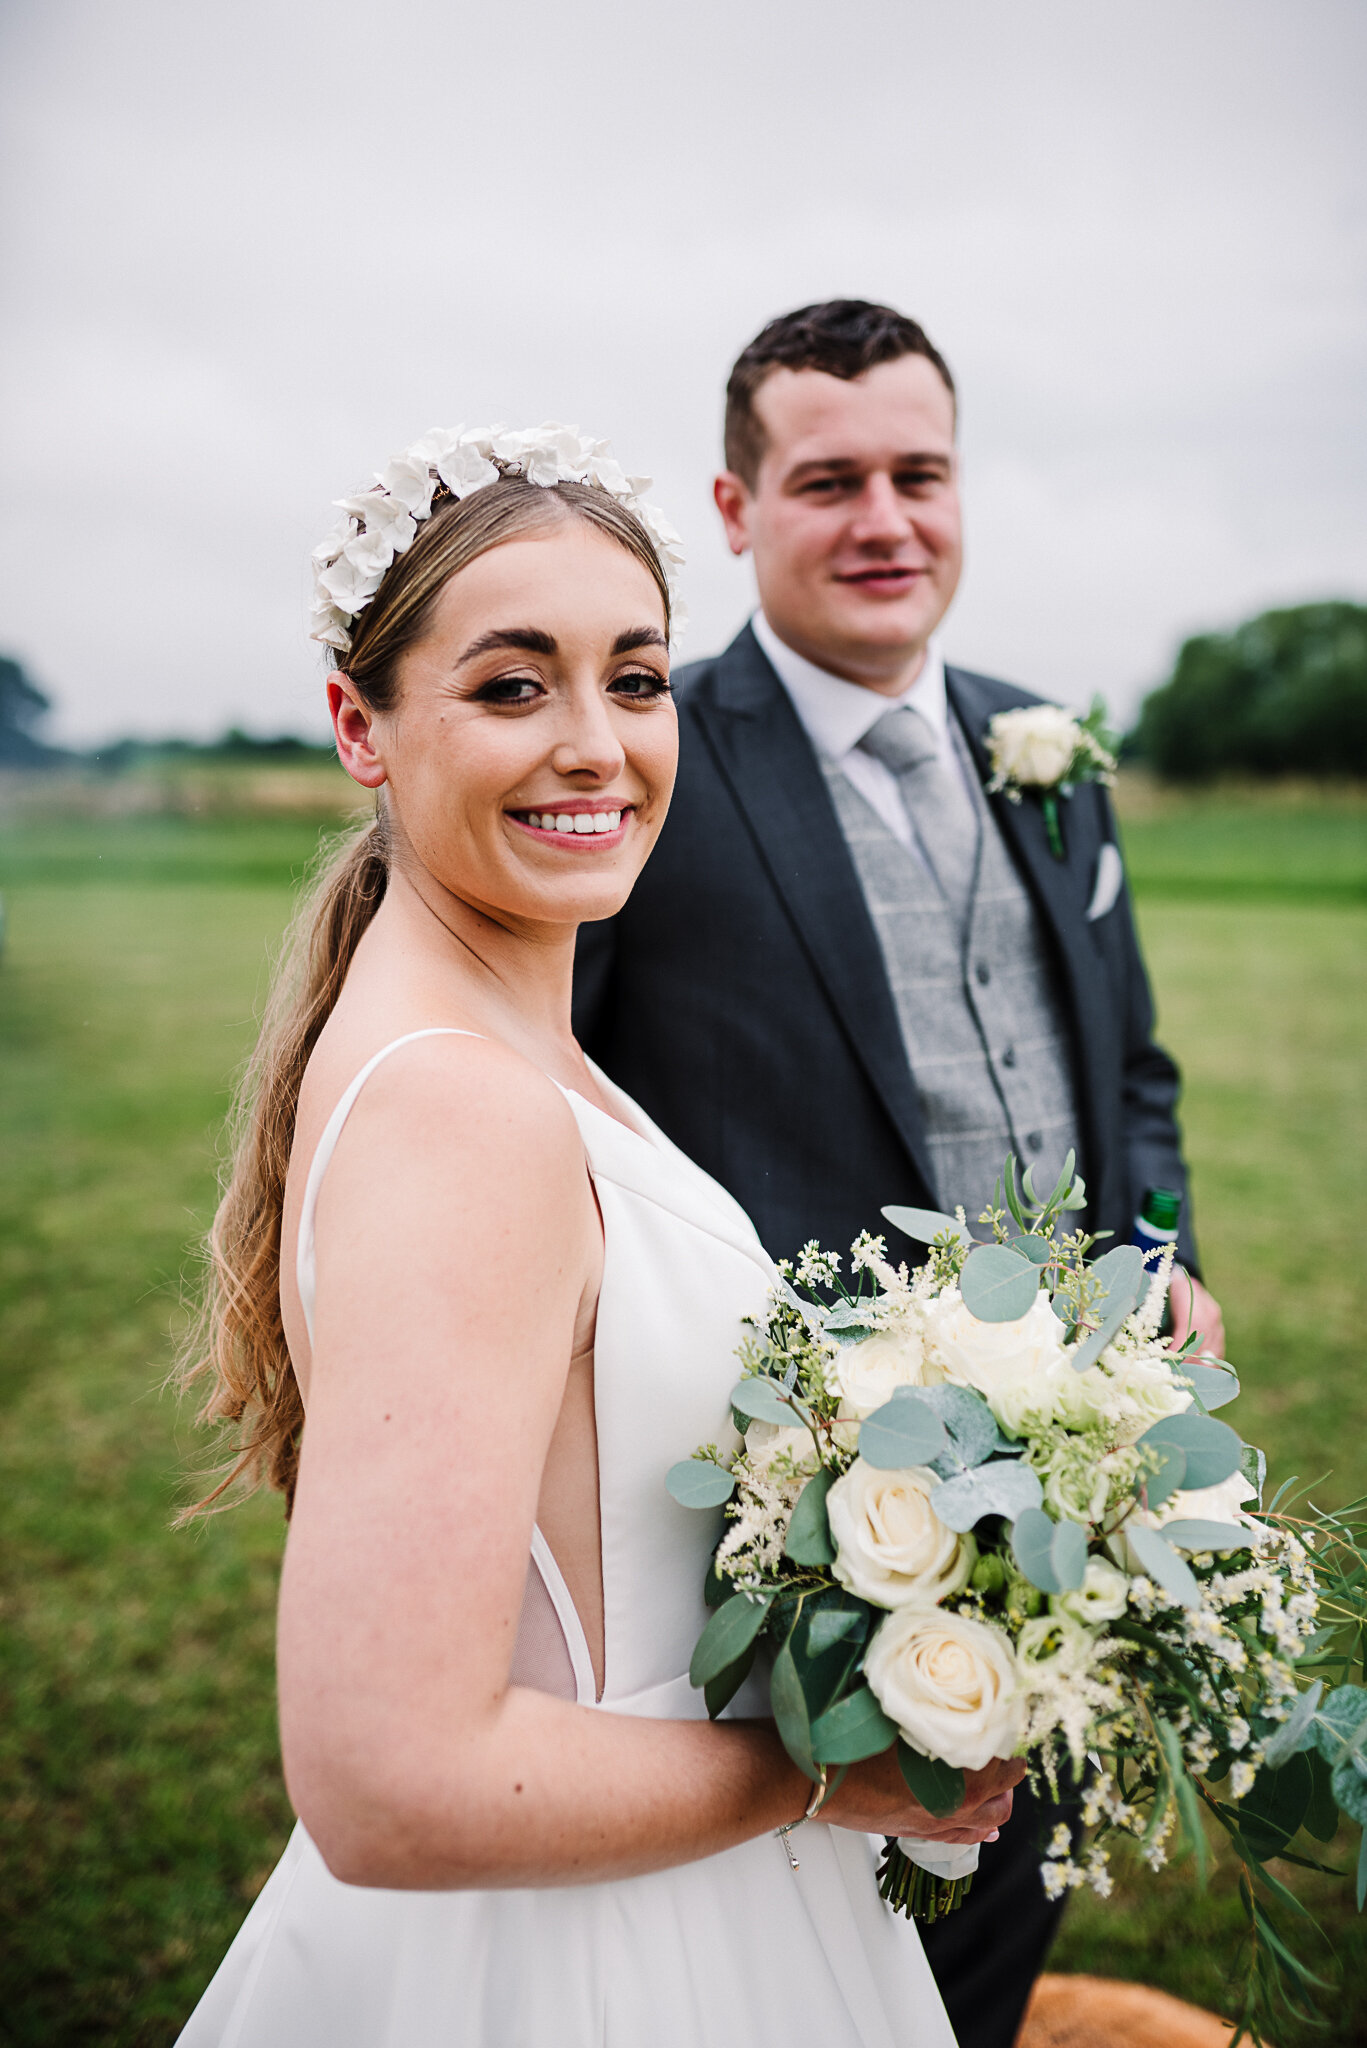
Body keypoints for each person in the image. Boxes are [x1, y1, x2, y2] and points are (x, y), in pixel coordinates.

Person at [174, 425, 1022, 2048]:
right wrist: (836, 1765)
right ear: (361, 725)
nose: (597, 747)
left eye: (635, 681)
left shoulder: (509, 1052)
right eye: (511, 687)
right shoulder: (461, 1112)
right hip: (592, 1971)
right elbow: (388, 1786)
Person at [572, 304, 1226, 2048]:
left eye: (918, 474)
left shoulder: (1048, 751)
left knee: (1008, 1868)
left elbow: (1129, 1074)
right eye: (828, 479)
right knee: (814, 1931)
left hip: (1068, 1452)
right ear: (735, 507)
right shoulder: (651, 755)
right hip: (791, 1492)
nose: (884, 519)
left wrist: (1156, 1257)